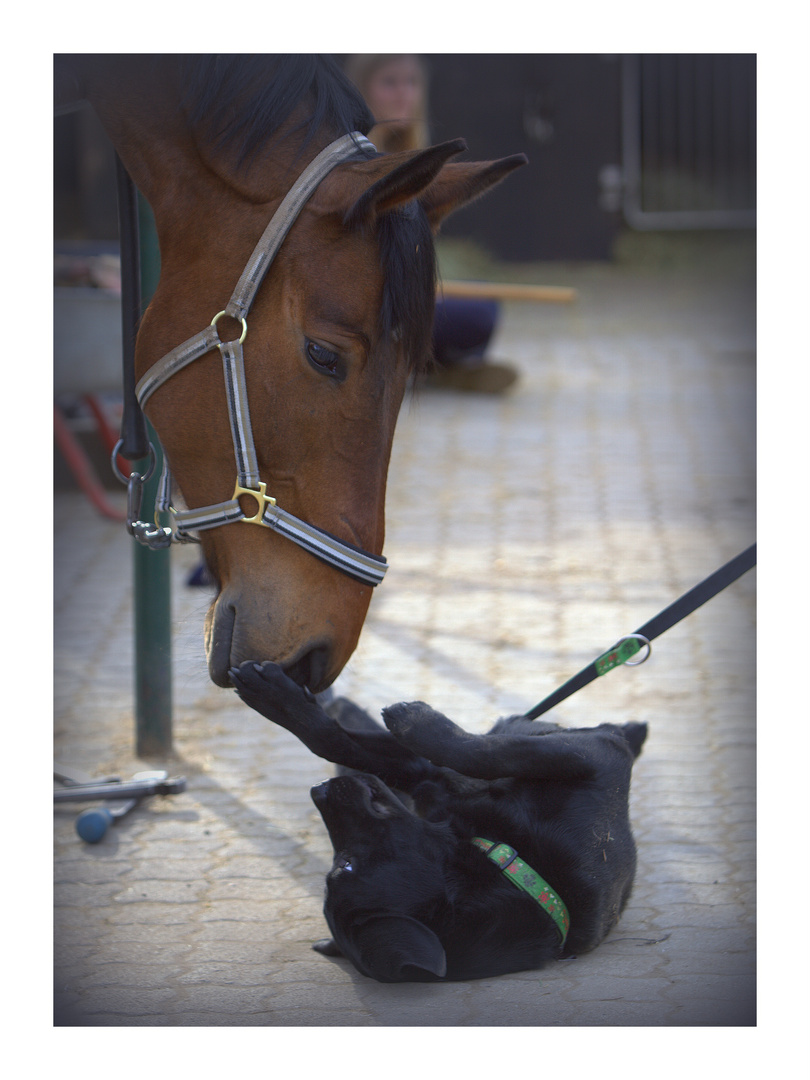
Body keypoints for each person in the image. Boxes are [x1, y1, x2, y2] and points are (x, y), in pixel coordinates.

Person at [343, 54, 519, 393]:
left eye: (411, 83)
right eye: (389, 82)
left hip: (398, 297)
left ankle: (434, 364)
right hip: (359, 299)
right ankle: (431, 363)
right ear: (361, 89)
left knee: (484, 307)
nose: (403, 94)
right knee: (470, 316)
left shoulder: (413, 157)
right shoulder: (350, 161)